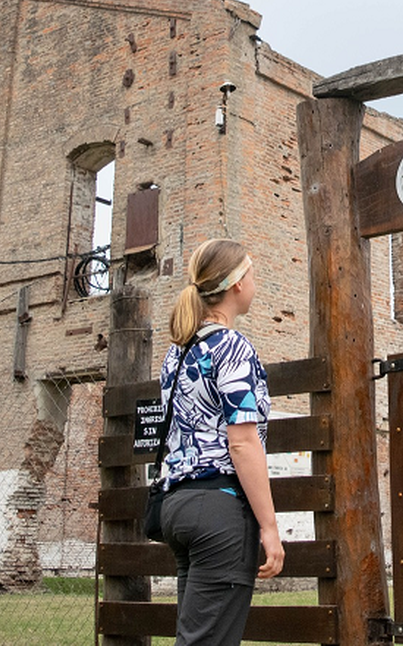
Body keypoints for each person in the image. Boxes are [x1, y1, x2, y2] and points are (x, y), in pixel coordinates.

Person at [157, 238, 284, 645]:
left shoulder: (177, 354)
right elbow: (243, 443)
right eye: (251, 271)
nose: (254, 279)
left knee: (196, 636)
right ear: (236, 285)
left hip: (176, 507)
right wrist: (269, 527)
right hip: (218, 512)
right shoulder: (232, 347)